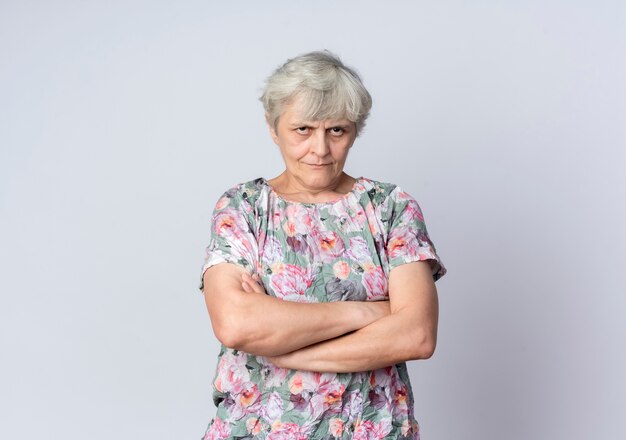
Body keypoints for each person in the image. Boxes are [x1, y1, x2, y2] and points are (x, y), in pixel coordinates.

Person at [198, 50, 446, 440]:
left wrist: (283, 350)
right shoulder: (243, 208)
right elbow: (237, 324)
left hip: (372, 430)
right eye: (303, 130)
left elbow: (415, 334)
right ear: (272, 126)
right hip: (257, 429)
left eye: (337, 131)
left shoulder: (389, 207)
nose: (320, 149)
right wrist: (368, 314)